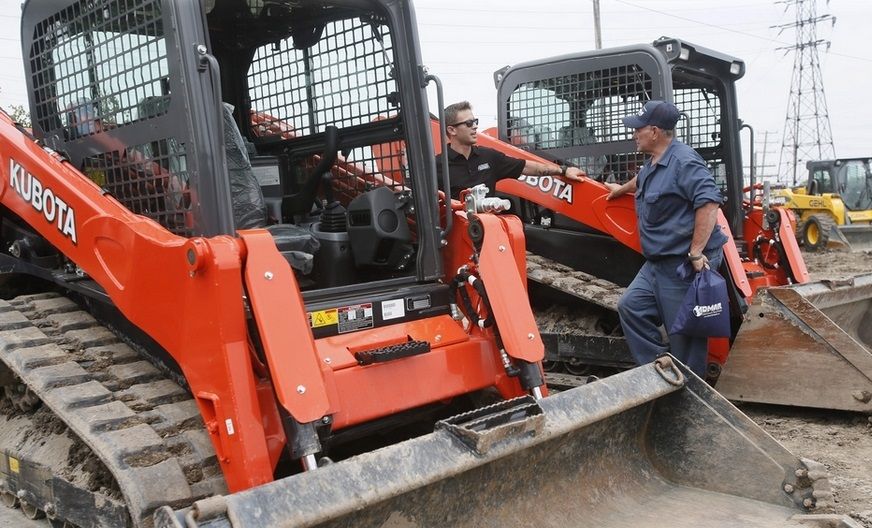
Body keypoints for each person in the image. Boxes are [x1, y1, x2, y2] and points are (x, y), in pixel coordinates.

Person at [605, 100, 728, 377]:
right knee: (631, 307)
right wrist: (619, 189)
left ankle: (688, 392)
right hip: (656, 262)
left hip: (683, 263)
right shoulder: (654, 163)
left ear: (655, 131)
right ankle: (662, 370)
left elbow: (709, 203)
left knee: (684, 334)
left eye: (638, 129)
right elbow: (641, 181)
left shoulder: (684, 161)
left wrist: (696, 252)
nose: (634, 133)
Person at [437, 101, 585, 199]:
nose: (475, 126)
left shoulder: (489, 157)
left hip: (489, 234)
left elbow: (527, 166)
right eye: (469, 123)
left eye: (475, 122)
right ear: (452, 130)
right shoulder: (435, 167)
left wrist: (564, 170)